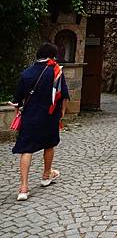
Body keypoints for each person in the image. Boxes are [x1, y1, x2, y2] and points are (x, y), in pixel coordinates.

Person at [11, 42, 70, 201]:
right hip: (50, 116)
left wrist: (18, 114)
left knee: (26, 149)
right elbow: (63, 94)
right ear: (52, 56)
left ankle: (23, 187)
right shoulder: (56, 71)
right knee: (49, 145)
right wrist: (62, 112)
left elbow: (17, 100)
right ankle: (46, 175)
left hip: (30, 116)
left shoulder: (26, 73)